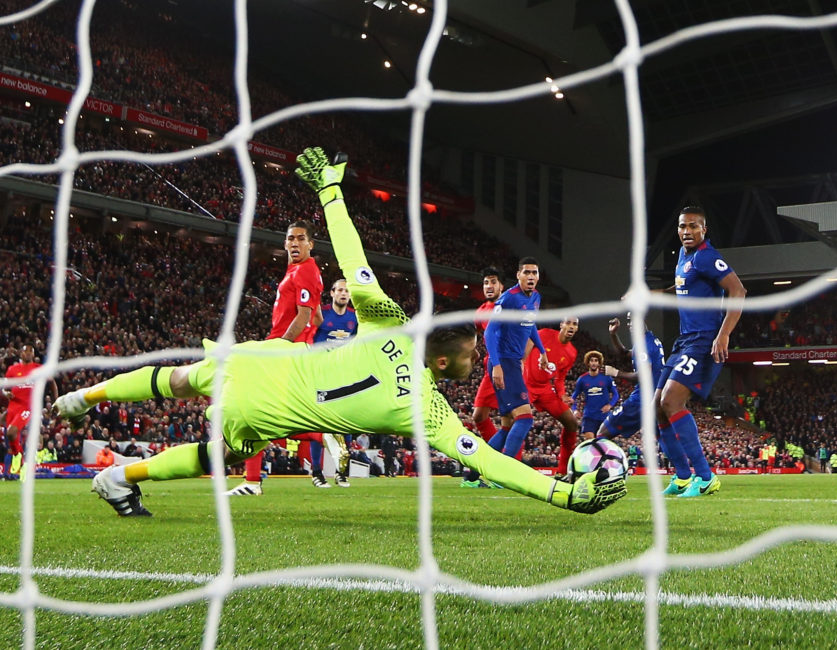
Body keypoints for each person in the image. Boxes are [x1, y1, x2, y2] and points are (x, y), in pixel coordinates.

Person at [54, 147, 625, 517]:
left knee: (178, 380)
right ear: (443, 363)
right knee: (215, 455)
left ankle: (87, 394)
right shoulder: (427, 411)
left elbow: (352, 257)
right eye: (471, 353)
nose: (475, 359)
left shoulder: (390, 321)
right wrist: (560, 493)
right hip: (265, 413)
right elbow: (487, 461)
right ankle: (120, 477)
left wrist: (330, 190)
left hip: (262, 361)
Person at [227, 219, 324, 496]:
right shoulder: (299, 270)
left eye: (301, 238)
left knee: (252, 408)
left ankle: (252, 481)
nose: (294, 242)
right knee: (268, 413)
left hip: (284, 349)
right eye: (290, 238)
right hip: (292, 348)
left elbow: (304, 316)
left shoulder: (305, 270)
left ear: (310, 244)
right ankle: (321, 434)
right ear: (284, 243)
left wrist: (282, 346)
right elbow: (317, 316)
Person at [655, 206, 745, 498]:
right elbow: (682, 286)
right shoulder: (684, 257)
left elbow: (738, 291)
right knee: (657, 408)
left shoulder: (707, 256)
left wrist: (724, 334)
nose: (687, 231)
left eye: (693, 226)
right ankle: (683, 477)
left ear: (704, 230)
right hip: (684, 340)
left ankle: (705, 477)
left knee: (671, 401)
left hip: (704, 340)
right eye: (683, 226)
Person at [483, 258, 550, 464]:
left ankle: (473, 472)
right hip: (504, 362)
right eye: (526, 272)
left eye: (534, 273)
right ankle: (504, 472)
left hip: (511, 362)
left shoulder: (536, 297)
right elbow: (489, 332)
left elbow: (530, 325)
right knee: (525, 419)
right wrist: (497, 365)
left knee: (507, 426)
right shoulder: (508, 299)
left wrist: (542, 351)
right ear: (518, 275)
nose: (531, 276)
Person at [311, 278, 358, 487]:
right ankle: (316, 472)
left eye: (347, 291)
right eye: (340, 290)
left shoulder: (354, 318)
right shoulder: (321, 314)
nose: (343, 293)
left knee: (345, 423)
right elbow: (309, 338)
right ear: (332, 293)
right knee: (318, 424)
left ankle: (341, 472)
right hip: (320, 376)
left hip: (342, 376)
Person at [461, 266, 504, 488]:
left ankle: (502, 470)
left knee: (513, 419)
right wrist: (474, 350)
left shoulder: (508, 305)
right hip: (492, 366)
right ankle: (497, 463)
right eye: (486, 282)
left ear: (501, 286)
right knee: (479, 416)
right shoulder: (482, 311)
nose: (489, 286)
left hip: (509, 365)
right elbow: (475, 332)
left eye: (493, 282)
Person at [596, 315, 667, 447]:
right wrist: (613, 334)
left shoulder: (643, 344)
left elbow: (643, 375)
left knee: (602, 433)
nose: (630, 324)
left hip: (641, 401)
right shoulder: (652, 340)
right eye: (629, 321)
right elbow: (624, 354)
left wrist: (615, 373)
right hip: (656, 399)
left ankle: (599, 460)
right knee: (665, 441)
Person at [523, 317, 580, 477]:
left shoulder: (571, 353)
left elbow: (560, 378)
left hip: (545, 390)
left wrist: (562, 395)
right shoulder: (544, 334)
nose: (571, 326)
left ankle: (562, 472)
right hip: (525, 384)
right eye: (568, 323)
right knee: (516, 423)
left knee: (572, 423)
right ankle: (506, 467)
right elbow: (525, 350)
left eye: (575, 324)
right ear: (561, 324)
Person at [3, 344, 57, 480]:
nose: (27, 353)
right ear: (20, 354)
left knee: (11, 432)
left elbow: (52, 382)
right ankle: (20, 459)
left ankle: (18, 455)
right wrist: (6, 394)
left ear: (33, 354)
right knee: (10, 436)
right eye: (25, 351)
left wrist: (55, 401)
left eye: (30, 351)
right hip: (13, 406)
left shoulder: (39, 369)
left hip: (28, 406)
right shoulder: (12, 369)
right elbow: (4, 388)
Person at [570, 351, 619, 439]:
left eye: (596, 361)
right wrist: (575, 410)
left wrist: (610, 405)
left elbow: (616, 394)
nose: (593, 363)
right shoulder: (582, 379)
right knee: (591, 442)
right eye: (591, 360)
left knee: (602, 442)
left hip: (604, 416)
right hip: (589, 417)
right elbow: (573, 397)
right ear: (588, 363)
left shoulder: (606, 378)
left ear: (599, 363)